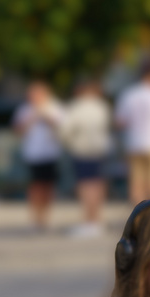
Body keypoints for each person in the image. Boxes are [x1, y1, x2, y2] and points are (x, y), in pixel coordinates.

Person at [61, 78, 113, 235]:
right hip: (100, 150)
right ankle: (96, 218)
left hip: (82, 150)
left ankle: (88, 219)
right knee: (98, 183)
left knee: (84, 185)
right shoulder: (102, 107)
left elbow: (65, 130)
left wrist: (70, 144)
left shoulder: (76, 107)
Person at [15, 80, 64, 231]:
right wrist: (32, 118)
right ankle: (35, 217)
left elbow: (62, 126)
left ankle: (45, 217)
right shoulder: (24, 109)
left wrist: (46, 116)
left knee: (48, 186)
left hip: (50, 153)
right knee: (35, 186)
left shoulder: (54, 107)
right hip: (32, 154)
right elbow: (18, 130)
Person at [117, 66, 150, 207]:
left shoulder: (129, 94)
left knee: (136, 182)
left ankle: (138, 212)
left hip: (134, 143)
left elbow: (120, 122)